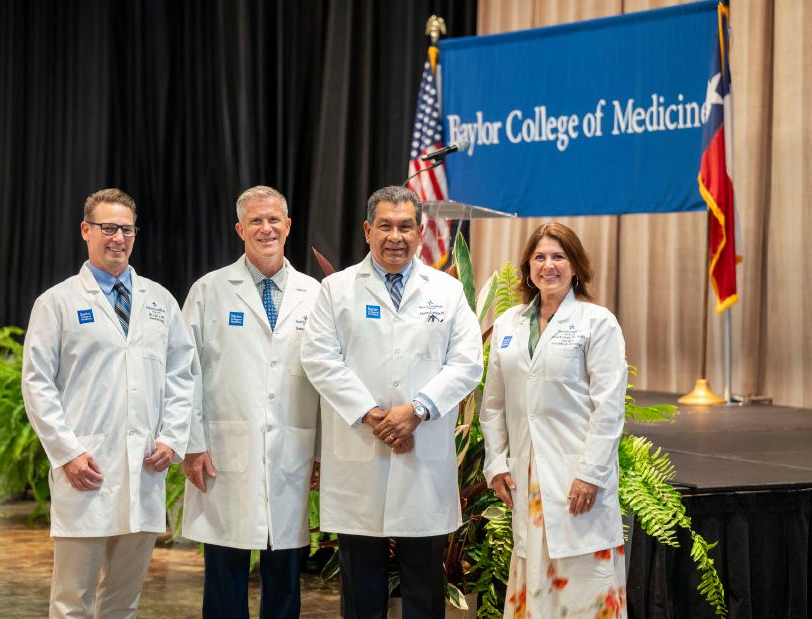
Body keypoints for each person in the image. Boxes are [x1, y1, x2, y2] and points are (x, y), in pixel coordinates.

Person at [300, 185, 483, 619]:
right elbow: (319, 358)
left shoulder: (447, 291)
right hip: (360, 453)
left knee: (424, 589)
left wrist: (416, 411)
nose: (395, 236)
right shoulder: (336, 289)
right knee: (361, 590)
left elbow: (467, 362)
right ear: (368, 230)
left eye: (405, 227)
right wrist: (374, 416)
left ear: (420, 232)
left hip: (423, 454)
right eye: (385, 226)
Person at [22, 188, 194, 619]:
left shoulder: (160, 301)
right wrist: (67, 453)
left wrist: (172, 438)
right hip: (86, 469)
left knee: (123, 601)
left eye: (127, 230)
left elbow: (182, 375)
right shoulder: (57, 303)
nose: (118, 238)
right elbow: (37, 384)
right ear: (86, 230)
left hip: (145, 467)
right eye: (108, 228)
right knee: (72, 601)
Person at [180, 186, 321, 619]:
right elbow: (184, 372)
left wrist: (320, 452)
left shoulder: (315, 293)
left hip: (292, 449)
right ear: (240, 230)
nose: (266, 229)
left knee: (285, 572)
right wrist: (192, 443)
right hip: (224, 452)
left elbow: (325, 380)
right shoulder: (210, 290)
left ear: (288, 225)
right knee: (225, 569)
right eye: (255, 221)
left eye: (274, 219)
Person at [479, 222, 628, 618]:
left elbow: (609, 408)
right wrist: (496, 464)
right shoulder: (508, 324)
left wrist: (590, 474)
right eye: (540, 257)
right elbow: (492, 405)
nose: (549, 266)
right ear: (528, 267)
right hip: (526, 480)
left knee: (584, 592)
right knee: (535, 584)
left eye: (559, 257)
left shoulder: (597, 322)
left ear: (575, 265)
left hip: (577, 480)